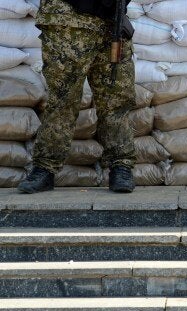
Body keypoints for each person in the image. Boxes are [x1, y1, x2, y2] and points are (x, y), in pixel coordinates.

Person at [18, 0, 137, 194]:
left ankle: (121, 165)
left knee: (117, 100)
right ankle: (45, 168)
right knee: (63, 99)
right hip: (68, 21)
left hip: (111, 23)